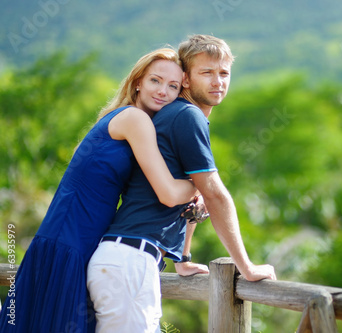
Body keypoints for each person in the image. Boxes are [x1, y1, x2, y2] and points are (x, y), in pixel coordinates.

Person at [0, 48, 199, 333]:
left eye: (173, 86)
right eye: (155, 80)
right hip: (74, 241)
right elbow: (167, 193)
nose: (163, 92)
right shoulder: (134, 119)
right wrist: (200, 185)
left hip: (67, 239)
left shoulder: (117, 118)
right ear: (138, 81)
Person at [87, 34, 277, 332]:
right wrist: (247, 268)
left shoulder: (178, 115)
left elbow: (191, 196)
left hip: (130, 260)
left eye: (224, 73)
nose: (218, 82)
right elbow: (214, 194)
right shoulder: (187, 116)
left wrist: (183, 259)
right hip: (129, 261)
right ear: (186, 79)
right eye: (207, 73)